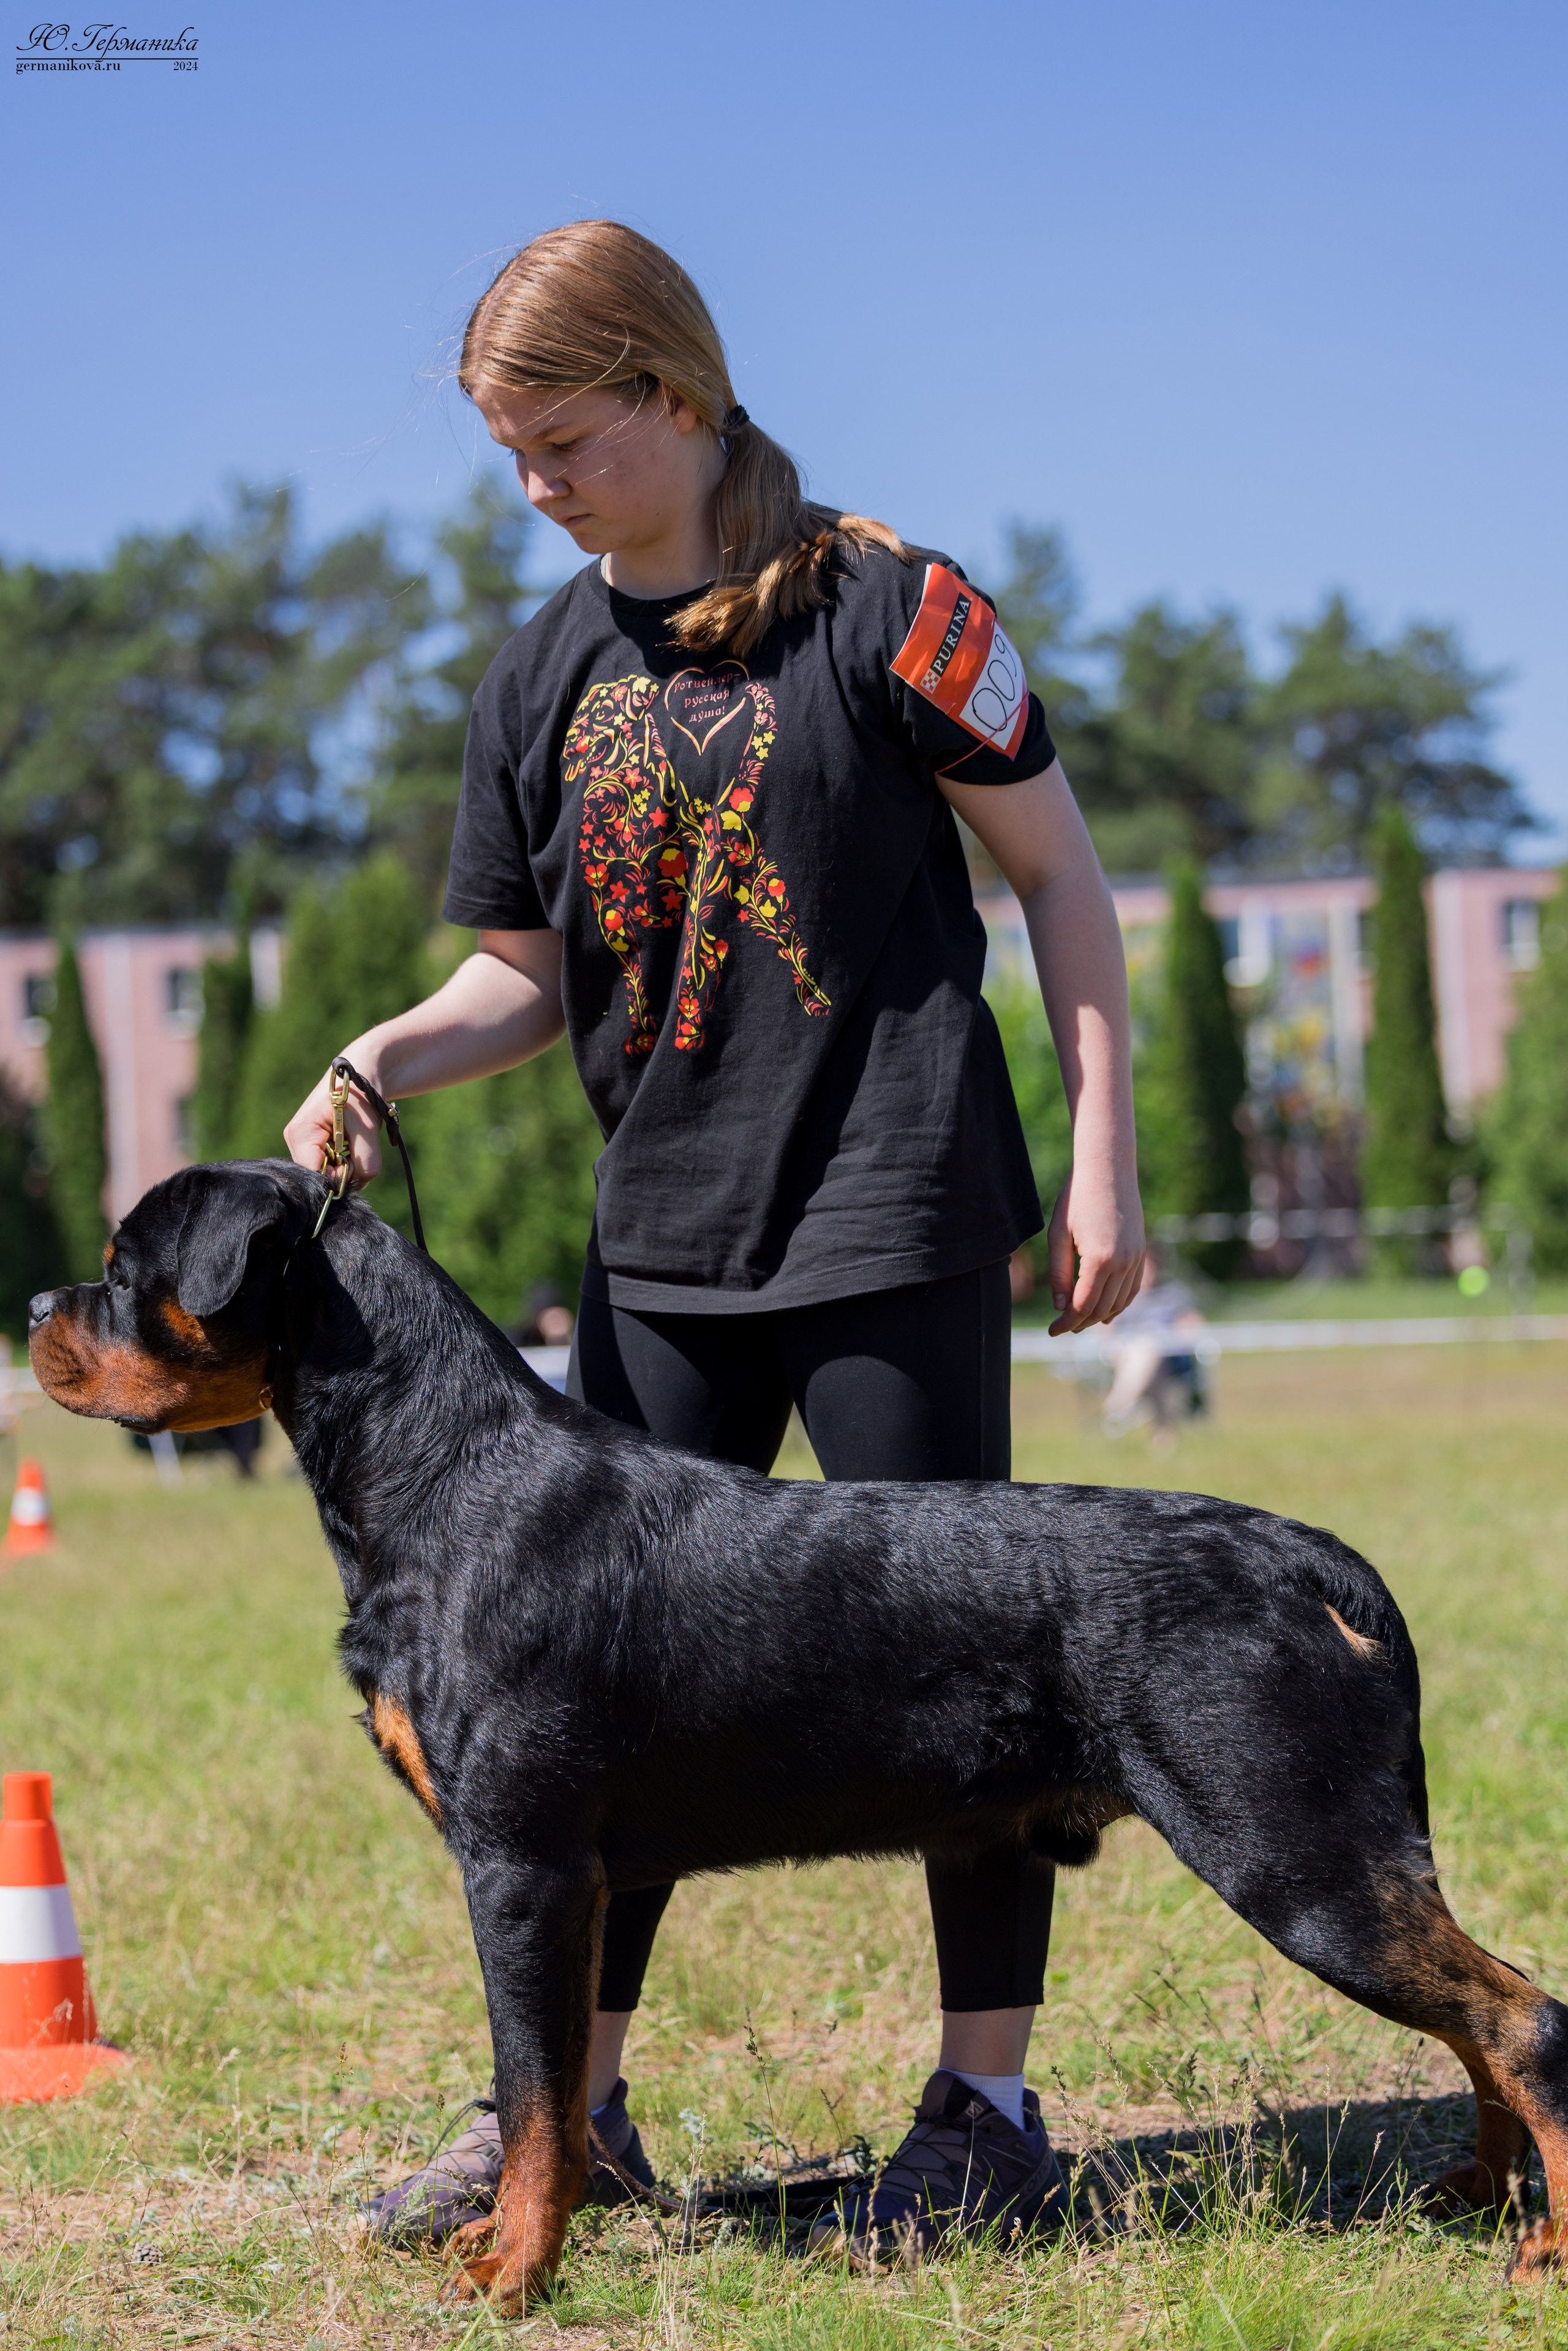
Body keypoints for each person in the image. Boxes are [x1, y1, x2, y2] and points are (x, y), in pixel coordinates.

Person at [283, 220, 1145, 2257]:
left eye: (566, 443)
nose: (539, 490)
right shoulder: (537, 669)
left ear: (675, 393)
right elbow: (522, 973)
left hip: (894, 1205)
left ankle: (989, 2102)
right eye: (512, 455)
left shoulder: (894, 603)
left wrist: (1107, 1150)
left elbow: (1065, 877)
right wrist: (389, 1046)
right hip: (659, 1246)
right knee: (591, 1693)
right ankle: (574, 2113)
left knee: (983, 1669)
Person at [1100, 1247, 1207, 1444]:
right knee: (1148, 1357)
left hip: (1169, 1356)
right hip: (1126, 1358)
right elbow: (1105, 1330)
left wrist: (1183, 1333)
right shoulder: (1121, 1296)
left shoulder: (1172, 1294)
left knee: (1151, 1348)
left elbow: (1193, 1323)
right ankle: (1164, 1438)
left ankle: (1119, 1404)